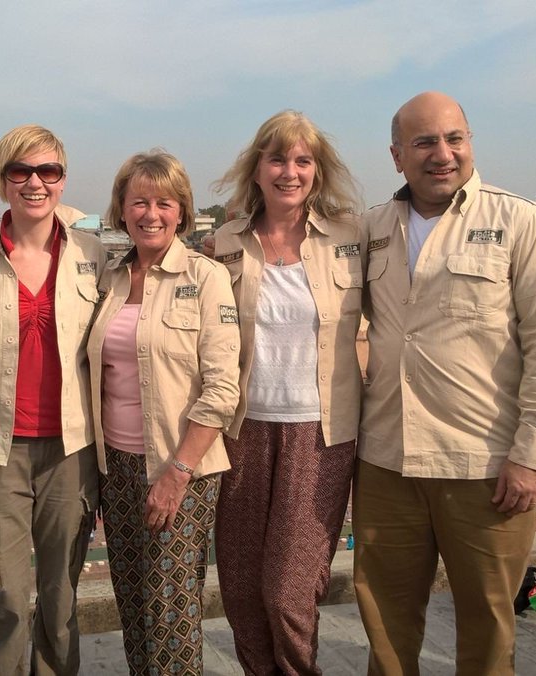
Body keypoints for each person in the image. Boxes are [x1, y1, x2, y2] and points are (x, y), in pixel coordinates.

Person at [353, 91, 536, 675]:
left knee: (487, 627)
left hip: (484, 466)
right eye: (425, 142)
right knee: (385, 625)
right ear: (397, 155)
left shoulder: (521, 223)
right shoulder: (373, 228)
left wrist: (531, 456)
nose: (442, 154)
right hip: (387, 461)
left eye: (455, 138)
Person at [210, 110, 364, 675]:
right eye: (277, 159)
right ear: (256, 169)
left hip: (320, 434)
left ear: (318, 173)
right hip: (241, 432)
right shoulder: (222, 243)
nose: (289, 171)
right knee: (243, 592)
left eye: (303, 160)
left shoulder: (352, 237)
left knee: (288, 593)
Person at [0, 124, 106, 675]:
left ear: (63, 181)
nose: (34, 183)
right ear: (2, 181)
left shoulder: (94, 257)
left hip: (71, 449)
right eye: (21, 171)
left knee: (60, 604)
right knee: (6, 602)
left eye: (48, 172)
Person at [87, 150, 240, 675]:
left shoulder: (205, 277)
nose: (151, 214)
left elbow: (222, 387)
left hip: (180, 467)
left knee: (171, 612)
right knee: (132, 607)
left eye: (164, 203)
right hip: (118, 465)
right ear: (121, 211)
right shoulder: (108, 279)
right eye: (139, 203)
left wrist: (177, 473)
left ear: (182, 212)